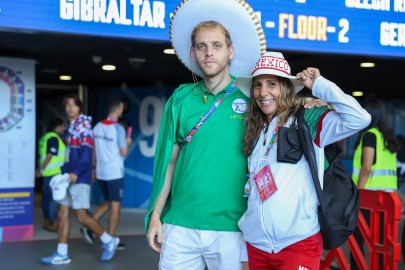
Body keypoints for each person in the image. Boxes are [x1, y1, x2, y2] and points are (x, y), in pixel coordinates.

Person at [145, 0, 266, 269]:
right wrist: (156, 216)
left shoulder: (252, 97)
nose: (208, 53)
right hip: (179, 224)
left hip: (232, 226)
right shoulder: (181, 97)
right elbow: (169, 162)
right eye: (201, 46)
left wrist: (312, 101)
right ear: (193, 53)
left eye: (216, 45)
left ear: (230, 52)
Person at [235, 51, 371, 269]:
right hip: (256, 245)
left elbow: (360, 118)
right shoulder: (255, 130)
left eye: (272, 84)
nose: (263, 92)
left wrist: (319, 86)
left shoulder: (307, 118)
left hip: (298, 243)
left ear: (286, 88)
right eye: (258, 85)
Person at [41, 94, 120, 265]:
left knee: (81, 216)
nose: (70, 107)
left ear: (79, 107)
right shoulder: (69, 128)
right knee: (62, 213)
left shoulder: (84, 126)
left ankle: (108, 240)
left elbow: (86, 152)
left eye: (73, 104)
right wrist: (63, 173)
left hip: (79, 177)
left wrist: (76, 172)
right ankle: (62, 254)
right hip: (67, 177)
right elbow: (68, 155)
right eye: (67, 104)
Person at [351, 98, 400, 270]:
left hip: (368, 199)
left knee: (357, 242)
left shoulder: (370, 135)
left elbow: (366, 168)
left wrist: (357, 193)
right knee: (380, 246)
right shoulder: (388, 139)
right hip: (386, 201)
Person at [80, 98, 131, 250]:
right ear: (119, 108)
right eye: (122, 108)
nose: (122, 110)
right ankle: (110, 242)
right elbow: (123, 152)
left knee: (108, 201)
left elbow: (93, 150)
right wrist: (127, 143)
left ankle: (89, 224)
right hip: (114, 173)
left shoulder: (97, 127)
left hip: (101, 172)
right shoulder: (119, 129)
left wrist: (94, 169)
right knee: (115, 206)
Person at [37, 117, 66, 232]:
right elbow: (49, 156)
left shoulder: (45, 137)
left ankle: (46, 220)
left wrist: (41, 170)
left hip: (47, 173)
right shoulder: (54, 138)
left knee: (46, 198)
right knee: (53, 199)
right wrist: (41, 169)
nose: (64, 129)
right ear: (57, 126)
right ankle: (52, 222)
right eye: (63, 126)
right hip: (54, 173)